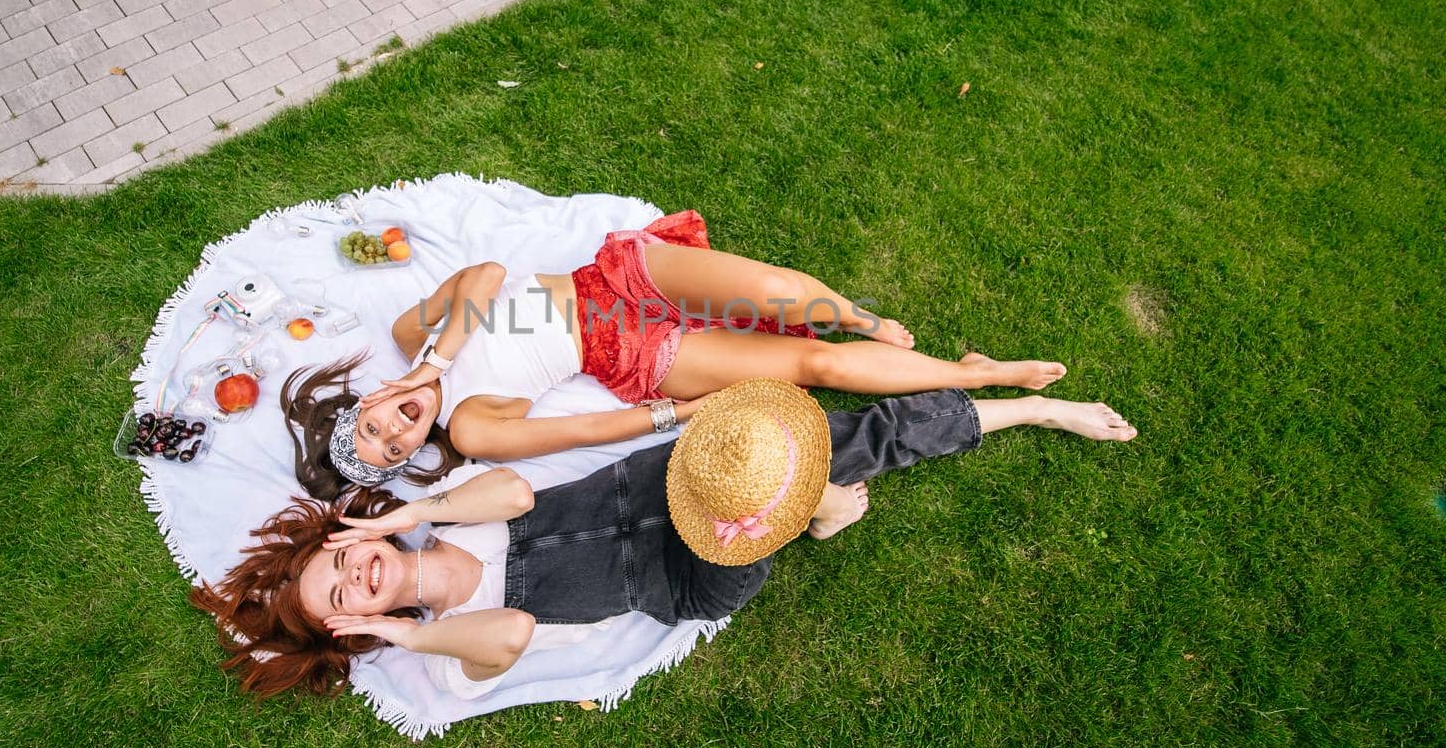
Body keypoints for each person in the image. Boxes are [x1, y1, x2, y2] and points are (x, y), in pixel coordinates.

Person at [195, 381, 1136, 698]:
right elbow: (512, 638)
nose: (357, 573)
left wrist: (404, 516)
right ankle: (808, 511)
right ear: (363, 627)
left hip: (675, 480)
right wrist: (397, 629)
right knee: (789, 496)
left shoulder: (446, 509)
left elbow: (520, 485)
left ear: (349, 533)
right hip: (693, 571)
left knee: (829, 444)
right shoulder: (448, 646)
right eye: (347, 598)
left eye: (338, 561)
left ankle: (1030, 410)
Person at [283, 209, 1068, 498]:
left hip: (610, 275)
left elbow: (487, 275)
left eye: (375, 426)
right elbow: (585, 432)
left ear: (373, 399)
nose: (398, 431)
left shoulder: (406, 339)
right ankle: (981, 372)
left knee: (776, 290)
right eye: (395, 449)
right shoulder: (471, 427)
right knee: (812, 368)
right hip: (628, 350)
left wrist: (432, 358)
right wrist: (677, 411)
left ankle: (860, 316)